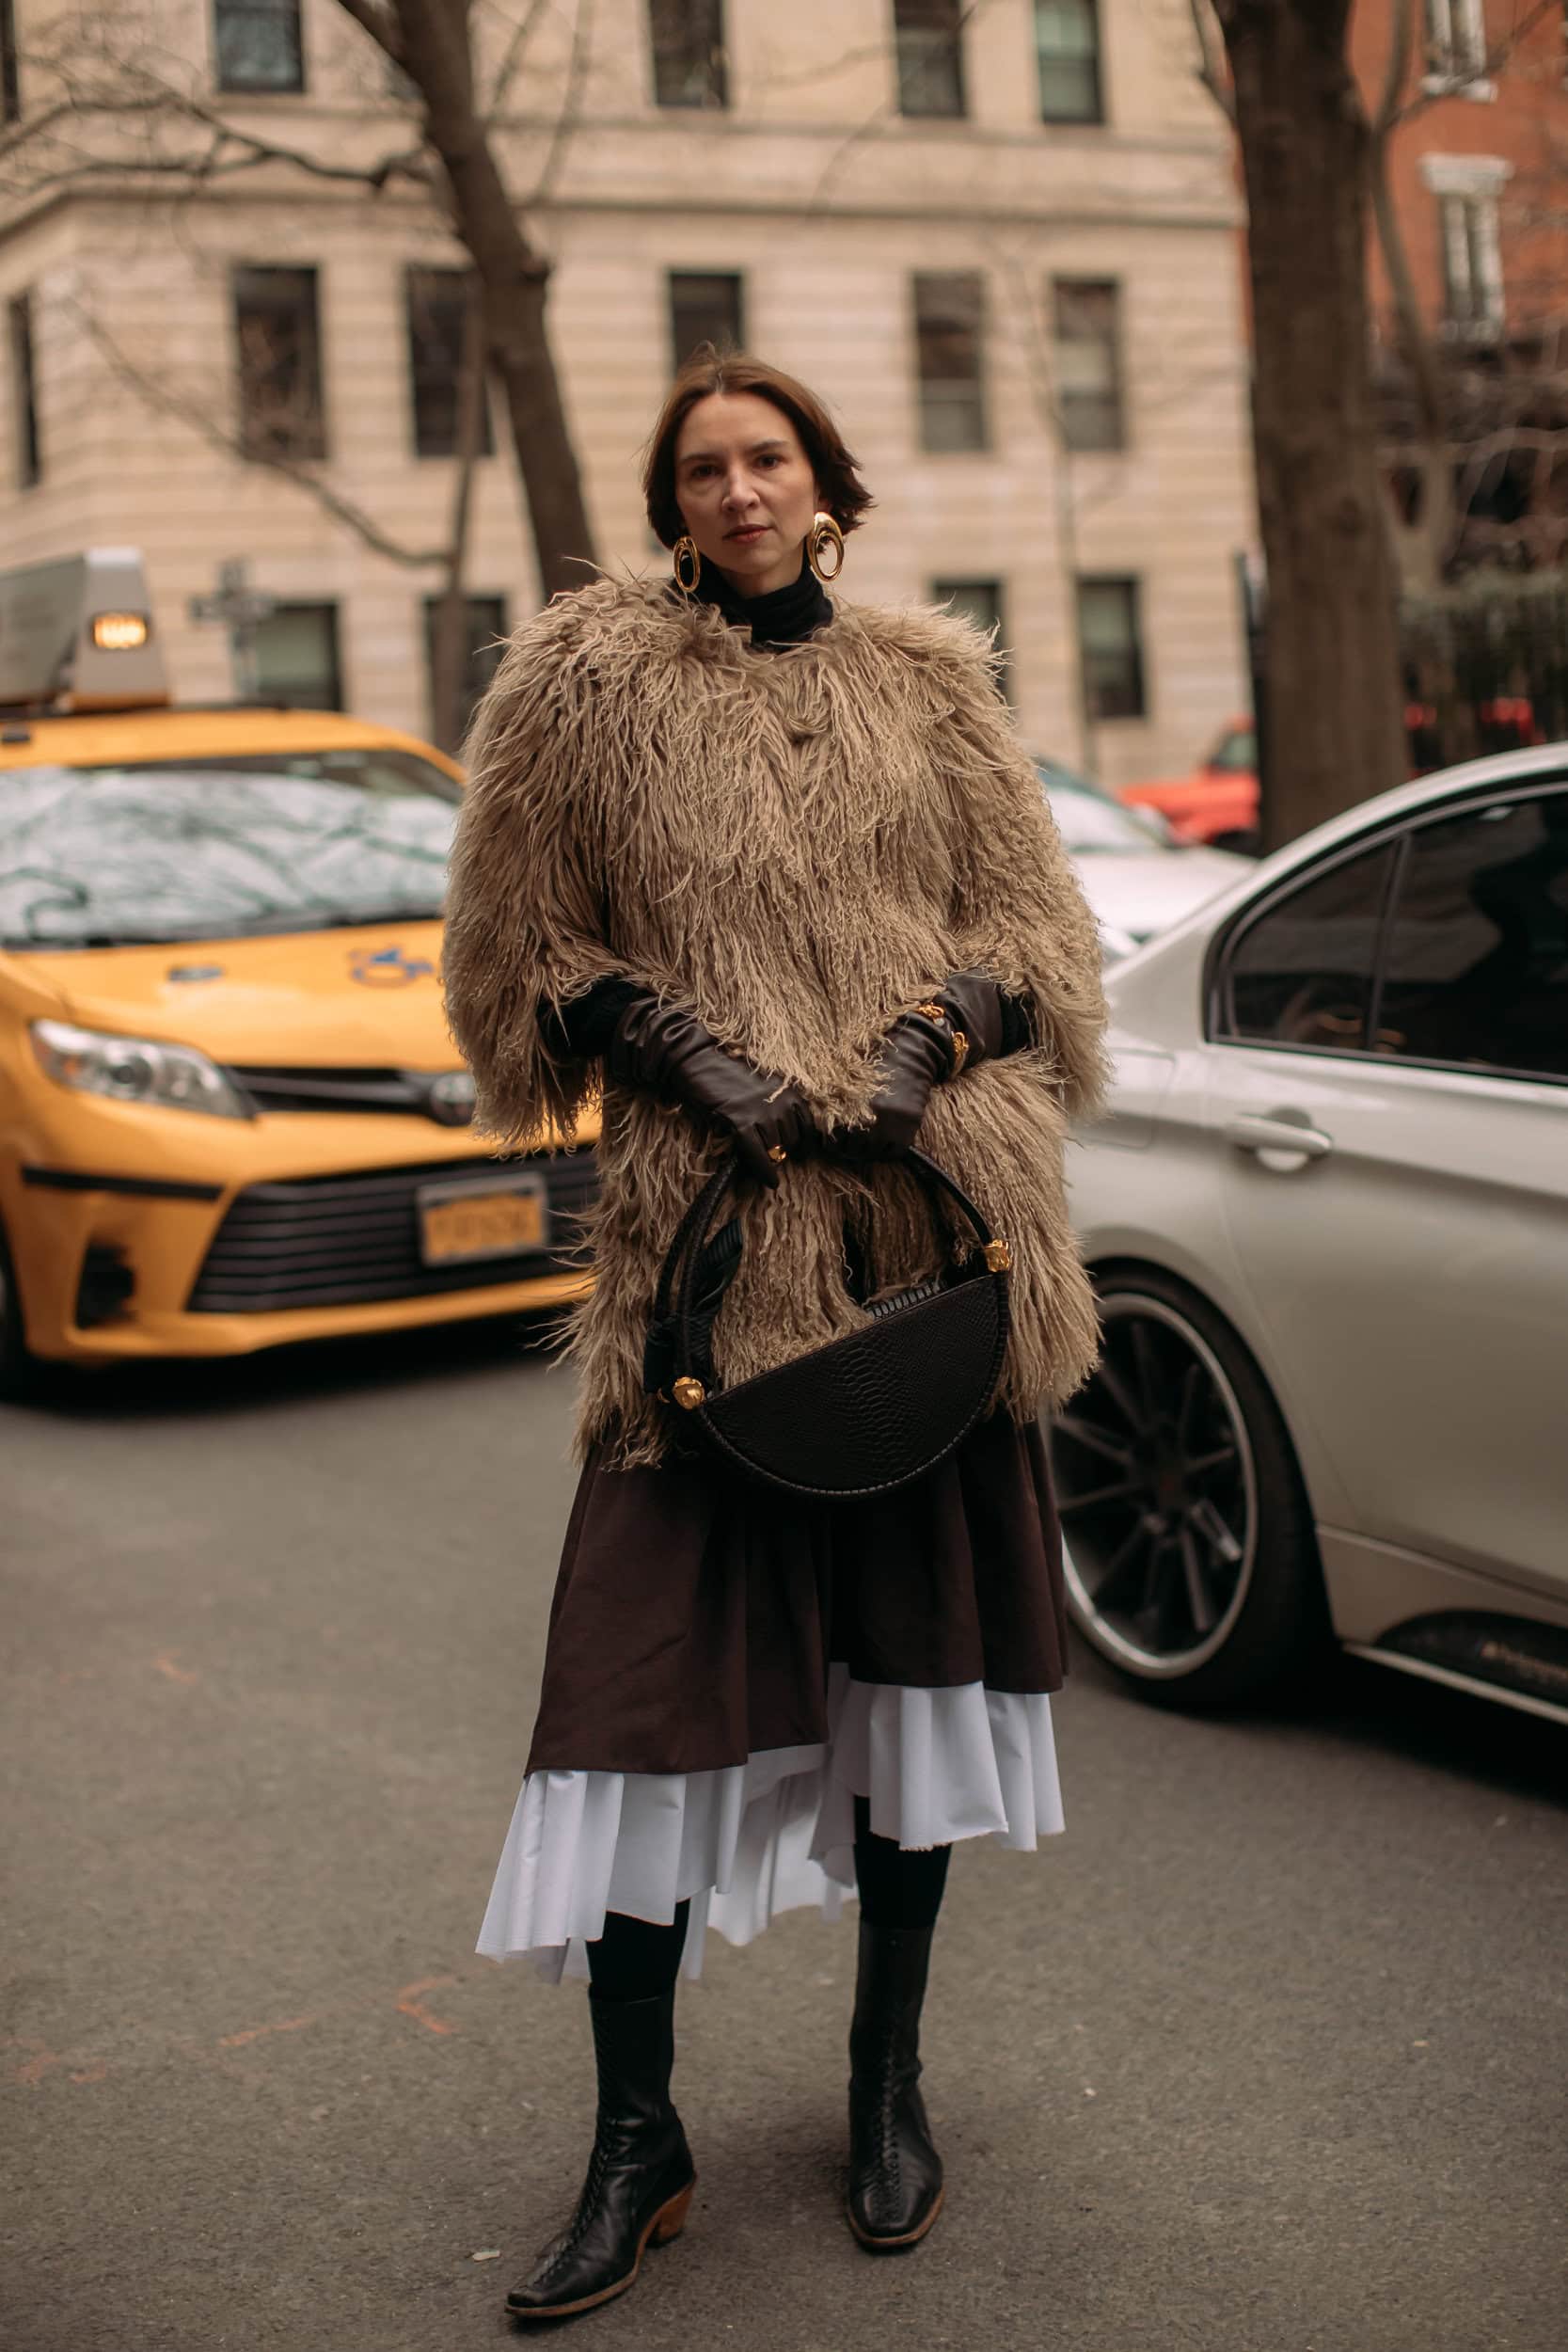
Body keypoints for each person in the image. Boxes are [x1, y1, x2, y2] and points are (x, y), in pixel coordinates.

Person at [443, 348, 1109, 2323]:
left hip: (927, 1249)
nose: (738, 490)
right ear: (671, 504)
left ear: (830, 484)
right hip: (707, 1271)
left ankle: (884, 2076)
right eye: (702, 468)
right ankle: (635, 2135)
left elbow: (1045, 939)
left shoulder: (931, 686)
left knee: (919, 1683)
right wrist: (668, 1041)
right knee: (630, 1711)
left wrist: (930, 1042)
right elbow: (510, 959)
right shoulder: (579, 687)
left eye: (769, 458)